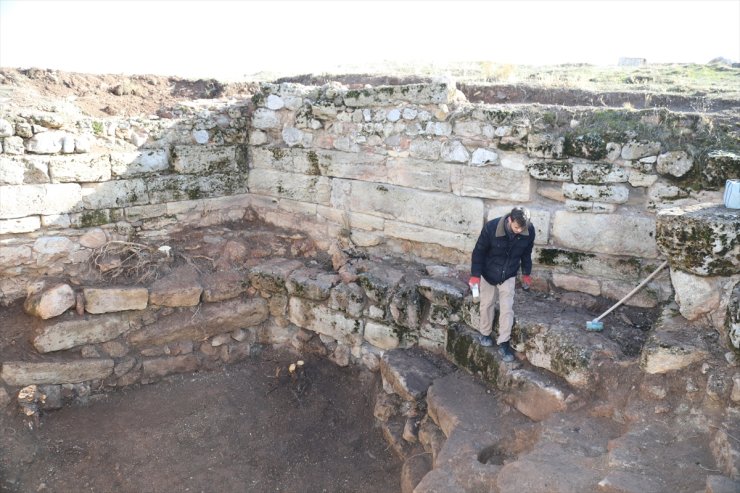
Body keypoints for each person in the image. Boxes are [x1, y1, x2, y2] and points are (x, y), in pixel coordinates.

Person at [469, 206, 535, 362]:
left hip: (509, 274)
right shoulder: (491, 228)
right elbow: (479, 251)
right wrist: (475, 275)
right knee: (486, 304)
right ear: (510, 220)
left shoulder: (529, 231)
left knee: (507, 309)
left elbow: (526, 253)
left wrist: (526, 273)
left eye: (522, 228)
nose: (519, 231)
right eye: (516, 227)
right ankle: (485, 333)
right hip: (488, 272)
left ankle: (504, 342)